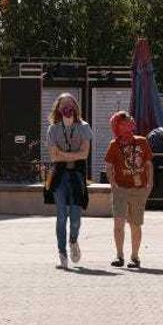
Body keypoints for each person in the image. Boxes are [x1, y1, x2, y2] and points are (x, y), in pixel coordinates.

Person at [44, 92, 92, 269]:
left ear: (75, 107)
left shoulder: (84, 127)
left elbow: (85, 154)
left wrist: (63, 154)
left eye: (70, 104)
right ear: (58, 108)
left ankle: (73, 241)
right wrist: (72, 155)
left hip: (77, 176)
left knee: (76, 217)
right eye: (63, 104)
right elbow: (53, 156)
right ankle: (62, 253)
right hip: (59, 177)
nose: (67, 108)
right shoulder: (53, 129)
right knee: (61, 215)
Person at [104, 111, 153, 268]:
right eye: (124, 121)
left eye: (129, 120)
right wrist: (113, 184)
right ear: (117, 126)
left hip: (138, 188)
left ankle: (135, 256)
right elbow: (109, 166)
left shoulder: (142, 141)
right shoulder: (114, 144)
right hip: (121, 188)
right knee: (119, 222)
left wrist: (149, 183)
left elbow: (148, 164)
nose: (129, 123)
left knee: (135, 224)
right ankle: (119, 255)